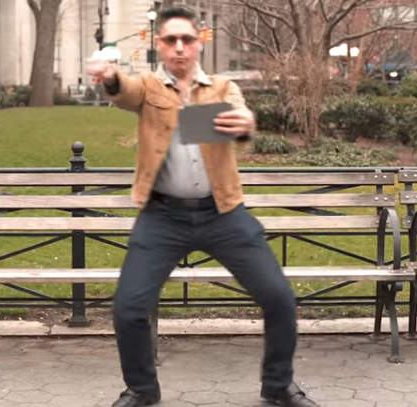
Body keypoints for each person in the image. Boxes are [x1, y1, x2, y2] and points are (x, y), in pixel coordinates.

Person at [87, 6, 320, 407]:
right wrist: (110, 78)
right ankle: (142, 389)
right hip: (162, 217)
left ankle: (278, 385)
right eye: (170, 40)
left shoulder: (222, 87)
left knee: (280, 298)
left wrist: (244, 121)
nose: (179, 47)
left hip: (223, 213)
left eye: (187, 39)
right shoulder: (147, 87)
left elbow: (241, 114)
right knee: (128, 308)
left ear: (199, 42)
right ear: (159, 44)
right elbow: (123, 91)